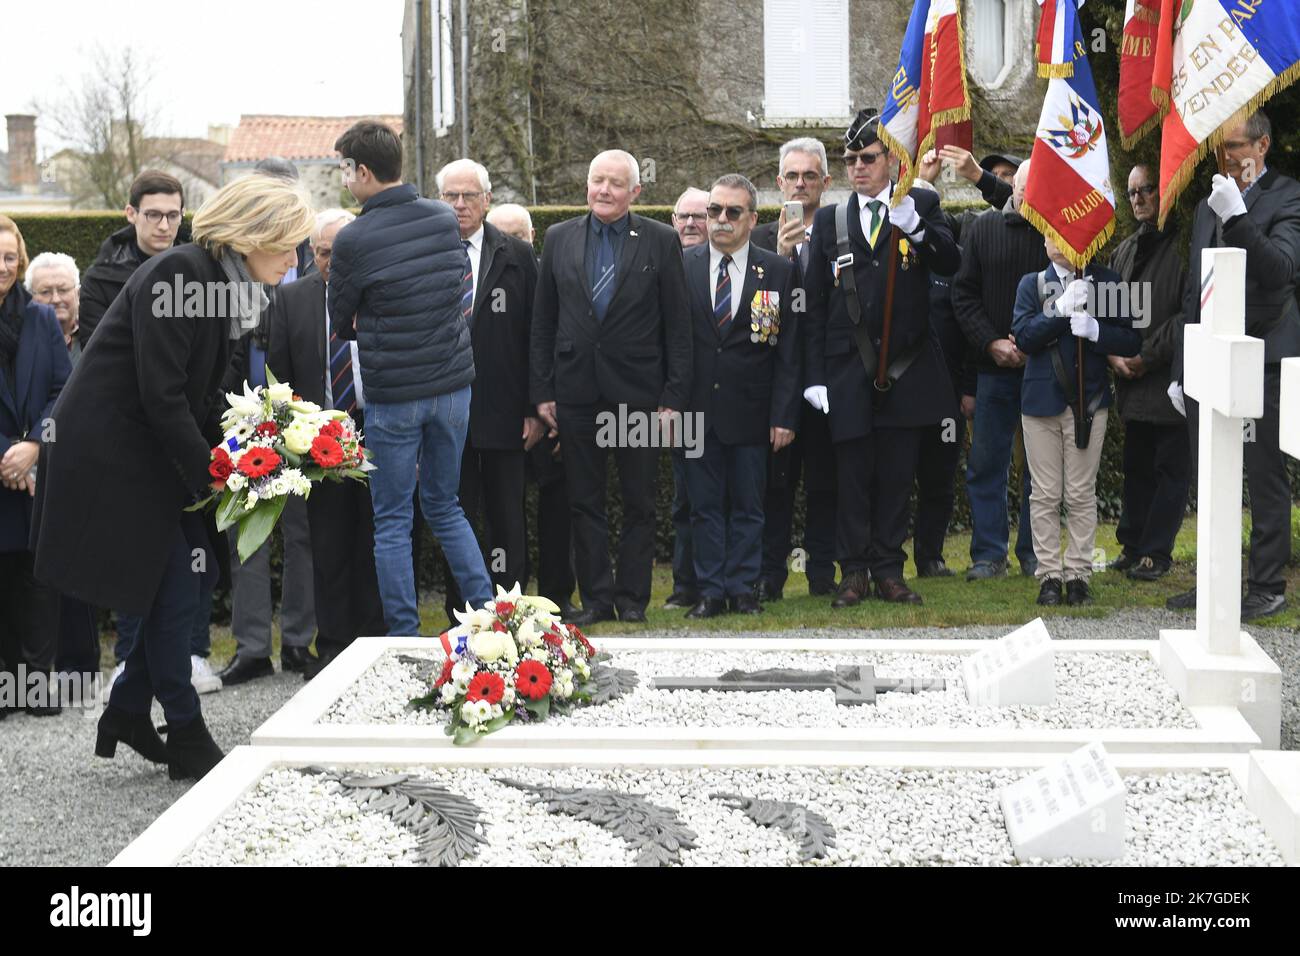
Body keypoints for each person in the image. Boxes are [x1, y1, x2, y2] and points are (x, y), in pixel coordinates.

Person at [32, 174, 315, 778]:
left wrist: (262, 445)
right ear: (252, 235)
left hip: (142, 458)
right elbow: (163, 398)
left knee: (186, 580)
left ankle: (130, 709)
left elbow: (202, 394)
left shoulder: (222, 285)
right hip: (112, 460)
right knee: (178, 586)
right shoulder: (185, 275)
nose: (295, 259)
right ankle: (184, 730)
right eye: (287, 244)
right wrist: (215, 478)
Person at [329, 121, 492, 634]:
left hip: (395, 396)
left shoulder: (353, 238)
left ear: (362, 171)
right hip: (452, 389)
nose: (344, 180)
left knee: (393, 520)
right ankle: (491, 619)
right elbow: (452, 288)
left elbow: (339, 318)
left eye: (344, 170)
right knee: (446, 506)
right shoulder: (443, 219)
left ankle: (402, 635)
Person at [802, 109, 961, 607]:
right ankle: (854, 573)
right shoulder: (831, 219)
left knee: (896, 477)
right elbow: (814, 304)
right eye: (850, 160)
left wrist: (917, 228)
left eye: (867, 158)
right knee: (851, 478)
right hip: (847, 371)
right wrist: (815, 376)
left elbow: (951, 262)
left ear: (892, 159)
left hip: (906, 369)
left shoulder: (921, 204)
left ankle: (890, 568)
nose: (857, 168)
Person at [530, 149, 692, 625]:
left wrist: (674, 399)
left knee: (640, 502)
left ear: (635, 192)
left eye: (615, 183)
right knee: (584, 502)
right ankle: (598, 600)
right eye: (597, 179)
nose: (604, 189)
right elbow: (543, 322)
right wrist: (542, 392)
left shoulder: (661, 240)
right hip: (576, 395)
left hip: (639, 397)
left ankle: (632, 601)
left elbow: (677, 328)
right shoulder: (558, 238)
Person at [1167, 110, 1300, 621]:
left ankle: (1267, 583)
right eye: (1221, 148)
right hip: (1210, 358)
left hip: (1262, 356)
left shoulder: (1286, 196)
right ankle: (1214, 578)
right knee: (1211, 475)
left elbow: (1279, 270)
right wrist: (1182, 366)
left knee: (1265, 476)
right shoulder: (1209, 205)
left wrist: (1240, 217)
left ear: (1262, 146)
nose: (1226, 157)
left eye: (1235, 146)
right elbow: (1193, 291)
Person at [268, 209, 386, 679]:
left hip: (379, 437)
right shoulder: (291, 299)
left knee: (377, 543)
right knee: (327, 546)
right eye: (321, 253)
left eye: (341, 253)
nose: (332, 264)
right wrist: (290, 442)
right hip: (316, 447)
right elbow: (280, 377)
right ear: (309, 253)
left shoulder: (381, 291)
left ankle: (376, 641)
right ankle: (333, 646)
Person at [216, 162, 318, 686]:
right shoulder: (226, 268)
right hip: (241, 417)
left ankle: (300, 641)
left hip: (298, 416)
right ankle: (252, 647)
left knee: (301, 533)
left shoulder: (308, 258)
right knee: (245, 537)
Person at [682, 174, 799, 617]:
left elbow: (787, 352)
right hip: (695, 411)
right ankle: (710, 591)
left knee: (750, 506)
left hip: (754, 410)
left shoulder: (779, 271)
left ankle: (743, 588)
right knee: (703, 507)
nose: (721, 220)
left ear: (753, 218)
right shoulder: (683, 265)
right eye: (714, 210)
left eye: (733, 212)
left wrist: (784, 416)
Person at [436, 159, 541, 621]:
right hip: (443, 415)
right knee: (452, 515)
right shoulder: (423, 255)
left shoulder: (516, 256)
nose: (460, 205)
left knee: (506, 518)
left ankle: (511, 613)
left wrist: (536, 409)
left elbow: (538, 336)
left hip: (505, 414)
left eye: (469, 196)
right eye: (450, 197)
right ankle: (460, 611)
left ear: (487, 199)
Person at [1012, 235, 1141, 606]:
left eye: (1063, 233)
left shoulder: (1105, 282)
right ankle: (1050, 574)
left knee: (1081, 493)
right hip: (1040, 404)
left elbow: (1131, 339)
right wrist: (1058, 311)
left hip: (1089, 401)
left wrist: (1097, 331)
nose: (1056, 241)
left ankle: (1079, 574)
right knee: (1046, 493)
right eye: (1050, 233)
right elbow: (1024, 336)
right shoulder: (1031, 285)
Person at [751, 137, 838, 601]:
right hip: (775, 386)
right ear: (778, 181)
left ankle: (823, 573)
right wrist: (781, 263)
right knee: (775, 487)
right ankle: (770, 576)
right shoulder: (761, 241)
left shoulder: (840, 233)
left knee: (827, 483)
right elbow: (761, 325)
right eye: (792, 176)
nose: (800, 184)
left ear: (826, 182)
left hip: (827, 382)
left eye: (809, 176)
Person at [952, 160, 1047, 580]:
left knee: (1041, 470)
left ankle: (1034, 553)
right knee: (987, 465)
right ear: (1012, 188)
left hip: (1043, 369)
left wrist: (1033, 342)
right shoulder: (982, 230)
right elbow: (964, 296)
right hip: (993, 371)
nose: (1029, 197)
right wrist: (991, 342)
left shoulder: (1059, 235)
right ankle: (988, 555)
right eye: (1024, 189)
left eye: (1038, 190)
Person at [486, 204, 577, 613]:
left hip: (551, 413)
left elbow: (559, 344)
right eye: (501, 237)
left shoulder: (553, 278)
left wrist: (553, 412)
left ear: (532, 237)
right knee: (504, 511)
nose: (509, 247)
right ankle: (509, 598)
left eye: (517, 237)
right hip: (505, 416)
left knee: (558, 507)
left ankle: (559, 595)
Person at [0, 216, 71, 718]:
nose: (2, 266)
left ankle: (36, 684)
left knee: (38, 578)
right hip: (5, 466)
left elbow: (63, 392)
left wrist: (32, 448)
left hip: (33, 472)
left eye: (8, 256)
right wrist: (7, 454)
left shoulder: (40, 318)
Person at [1106, 164, 1189, 582]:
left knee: (1170, 471)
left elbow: (1187, 315)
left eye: (1148, 189)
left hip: (1169, 381)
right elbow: (1107, 309)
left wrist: (1146, 355)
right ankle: (1132, 545)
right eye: (1133, 190)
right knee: (1136, 469)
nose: (1138, 198)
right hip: (1131, 381)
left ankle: (1156, 552)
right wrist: (1112, 355)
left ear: (1166, 191)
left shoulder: (1185, 247)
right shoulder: (1123, 250)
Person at [664, 186, 710, 611]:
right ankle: (685, 587)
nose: (692, 223)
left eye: (702, 215)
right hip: (681, 406)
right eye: (684, 216)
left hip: (727, 405)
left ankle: (732, 583)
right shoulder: (662, 264)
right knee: (685, 502)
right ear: (673, 220)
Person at [78, 170, 186, 348]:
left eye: (173, 216)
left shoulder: (205, 271)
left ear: (182, 215)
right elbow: (96, 353)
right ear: (131, 213)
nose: (164, 226)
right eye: (153, 215)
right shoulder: (99, 280)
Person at [25, 253, 82, 362]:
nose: (56, 299)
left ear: (77, 294)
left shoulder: (97, 336)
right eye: (45, 292)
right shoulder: (16, 341)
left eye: (63, 290)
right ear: (30, 298)